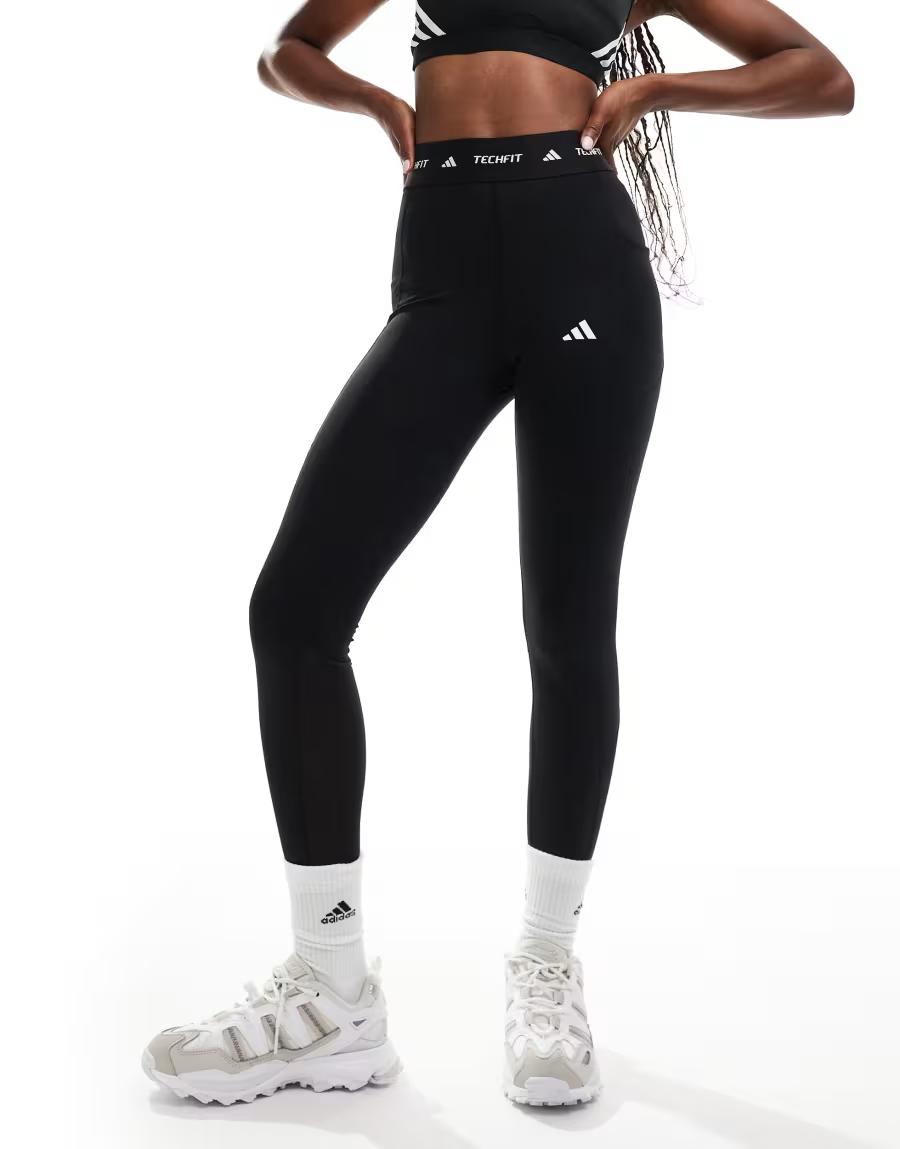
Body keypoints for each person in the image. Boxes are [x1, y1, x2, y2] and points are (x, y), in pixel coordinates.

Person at [142, 0, 853, 1108]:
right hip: (444, 275)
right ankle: (330, 993)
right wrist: (373, 101)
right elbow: (287, 52)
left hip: (583, 262)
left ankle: (545, 962)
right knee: (296, 610)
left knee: (567, 627)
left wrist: (656, 89)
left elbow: (820, 75)